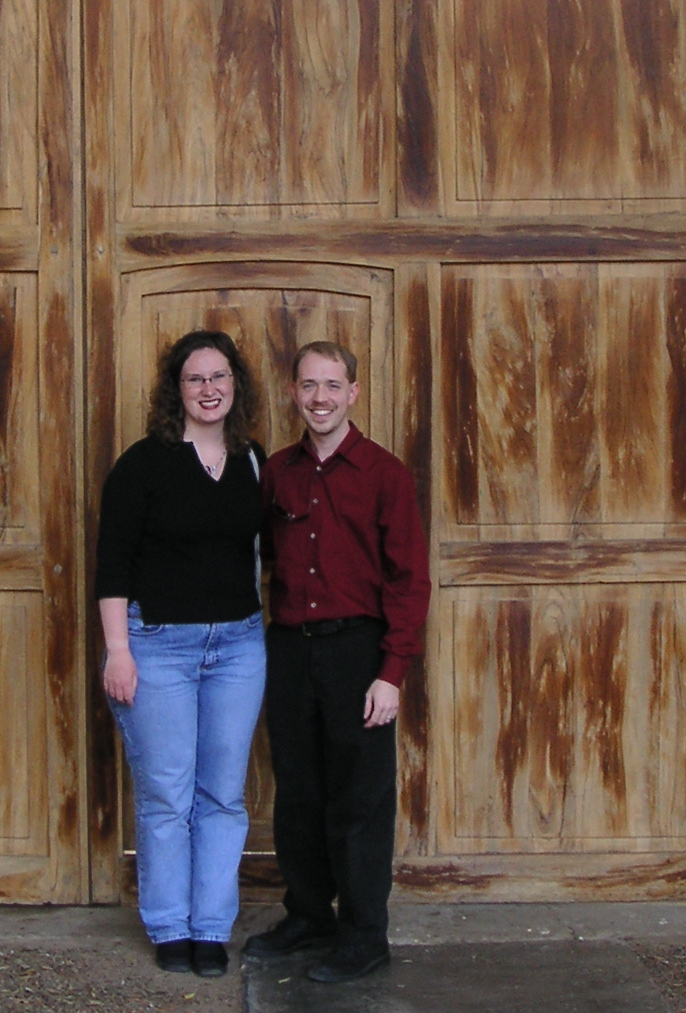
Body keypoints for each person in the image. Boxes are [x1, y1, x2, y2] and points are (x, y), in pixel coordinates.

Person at [243, 339, 431, 984]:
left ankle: (362, 933)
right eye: (308, 386)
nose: (320, 398)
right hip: (291, 651)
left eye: (333, 386)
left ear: (353, 393)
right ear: (293, 393)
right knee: (298, 793)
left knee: (360, 798)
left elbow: (410, 579)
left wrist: (391, 672)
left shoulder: (385, 474)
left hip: (359, 652)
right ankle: (308, 916)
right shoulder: (277, 472)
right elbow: (260, 554)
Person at [95, 330, 268, 978]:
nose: (209, 389)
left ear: (235, 386)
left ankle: (210, 926)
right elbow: (112, 566)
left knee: (222, 795)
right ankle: (169, 924)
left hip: (238, 648)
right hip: (157, 648)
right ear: (177, 390)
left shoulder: (252, 462)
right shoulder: (142, 464)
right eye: (196, 379)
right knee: (167, 794)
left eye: (219, 377)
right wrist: (119, 651)